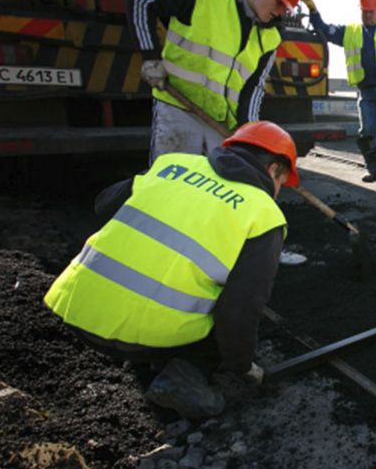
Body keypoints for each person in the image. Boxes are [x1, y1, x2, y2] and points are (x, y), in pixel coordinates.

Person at [43, 121, 300, 419]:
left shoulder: (170, 165)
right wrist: (243, 366)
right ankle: (183, 378)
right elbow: (240, 311)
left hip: (74, 310)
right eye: (282, 182)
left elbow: (103, 205)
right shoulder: (264, 214)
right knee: (223, 322)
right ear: (274, 171)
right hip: (144, 341)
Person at [127, 0, 303, 163]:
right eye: (279, 2)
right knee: (172, 178)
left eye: (286, 8)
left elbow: (253, 88)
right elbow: (142, 1)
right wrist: (150, 58)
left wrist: (248, 132)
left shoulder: (270, 38)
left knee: (216, 188)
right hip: (178, 109)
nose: (281, 12)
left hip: (221, 124)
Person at [302, 0, 376, 183]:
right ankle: (372, 169)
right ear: (360, 11)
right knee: (367, 132)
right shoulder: (349, 32)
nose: (368, 15)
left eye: (371, 11)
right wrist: (313, 9)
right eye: (365, 11)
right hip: (366, 91)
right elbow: (323, 29)